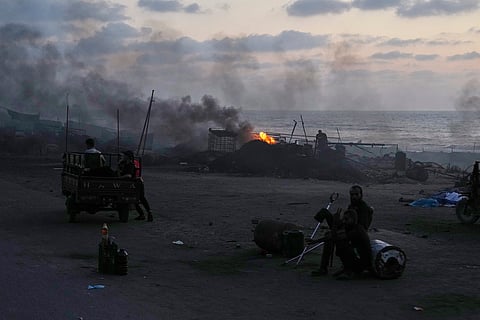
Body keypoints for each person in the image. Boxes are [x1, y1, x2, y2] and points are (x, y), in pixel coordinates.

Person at [311, 185, 373, 279]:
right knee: (329, 231)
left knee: (337, 241)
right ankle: (324, 268)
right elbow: (347, 221)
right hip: (350, 230)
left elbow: (361, 227)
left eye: (356, 194)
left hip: (357, 237)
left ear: (361, 195)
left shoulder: (363, 208)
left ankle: (348, 270)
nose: (354, 197)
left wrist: (338, 227)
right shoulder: (351, 206)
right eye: (352, 194)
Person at [118, 150, 153, 222]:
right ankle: (142, 214)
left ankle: (149, 213)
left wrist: (119, 178)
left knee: (140, 198)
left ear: (127, 157)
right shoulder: (125, 164)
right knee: (135, 200)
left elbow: (128, 175)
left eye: (124, 155)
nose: (122, 157)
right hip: (134, 184)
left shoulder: (130, 165)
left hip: (137, 184)